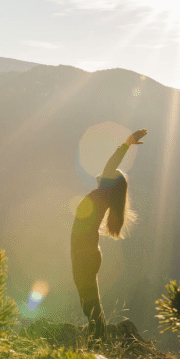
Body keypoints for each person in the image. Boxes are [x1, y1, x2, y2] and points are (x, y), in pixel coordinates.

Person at [71, 128, 147, 340]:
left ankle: (99, 338)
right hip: (87, 252)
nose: (103, 173)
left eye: (108, 174)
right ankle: (99, 337)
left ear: (109, 182)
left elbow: (110, 164)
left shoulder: (103, 192)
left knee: (90, 301)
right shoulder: (104, 195)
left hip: (85, 254)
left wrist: (127, 144)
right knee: (89, 300)